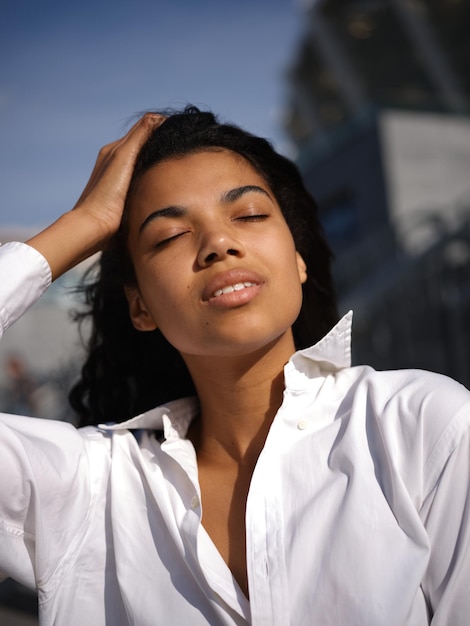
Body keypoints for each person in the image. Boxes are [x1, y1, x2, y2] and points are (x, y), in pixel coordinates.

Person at [0, 107, 469, 626]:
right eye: (169, 236)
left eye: (248, 215)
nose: (218, 244)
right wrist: (82, 224)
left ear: (297, 258)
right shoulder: (88, 486)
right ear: (141, 307)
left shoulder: (423, 427)